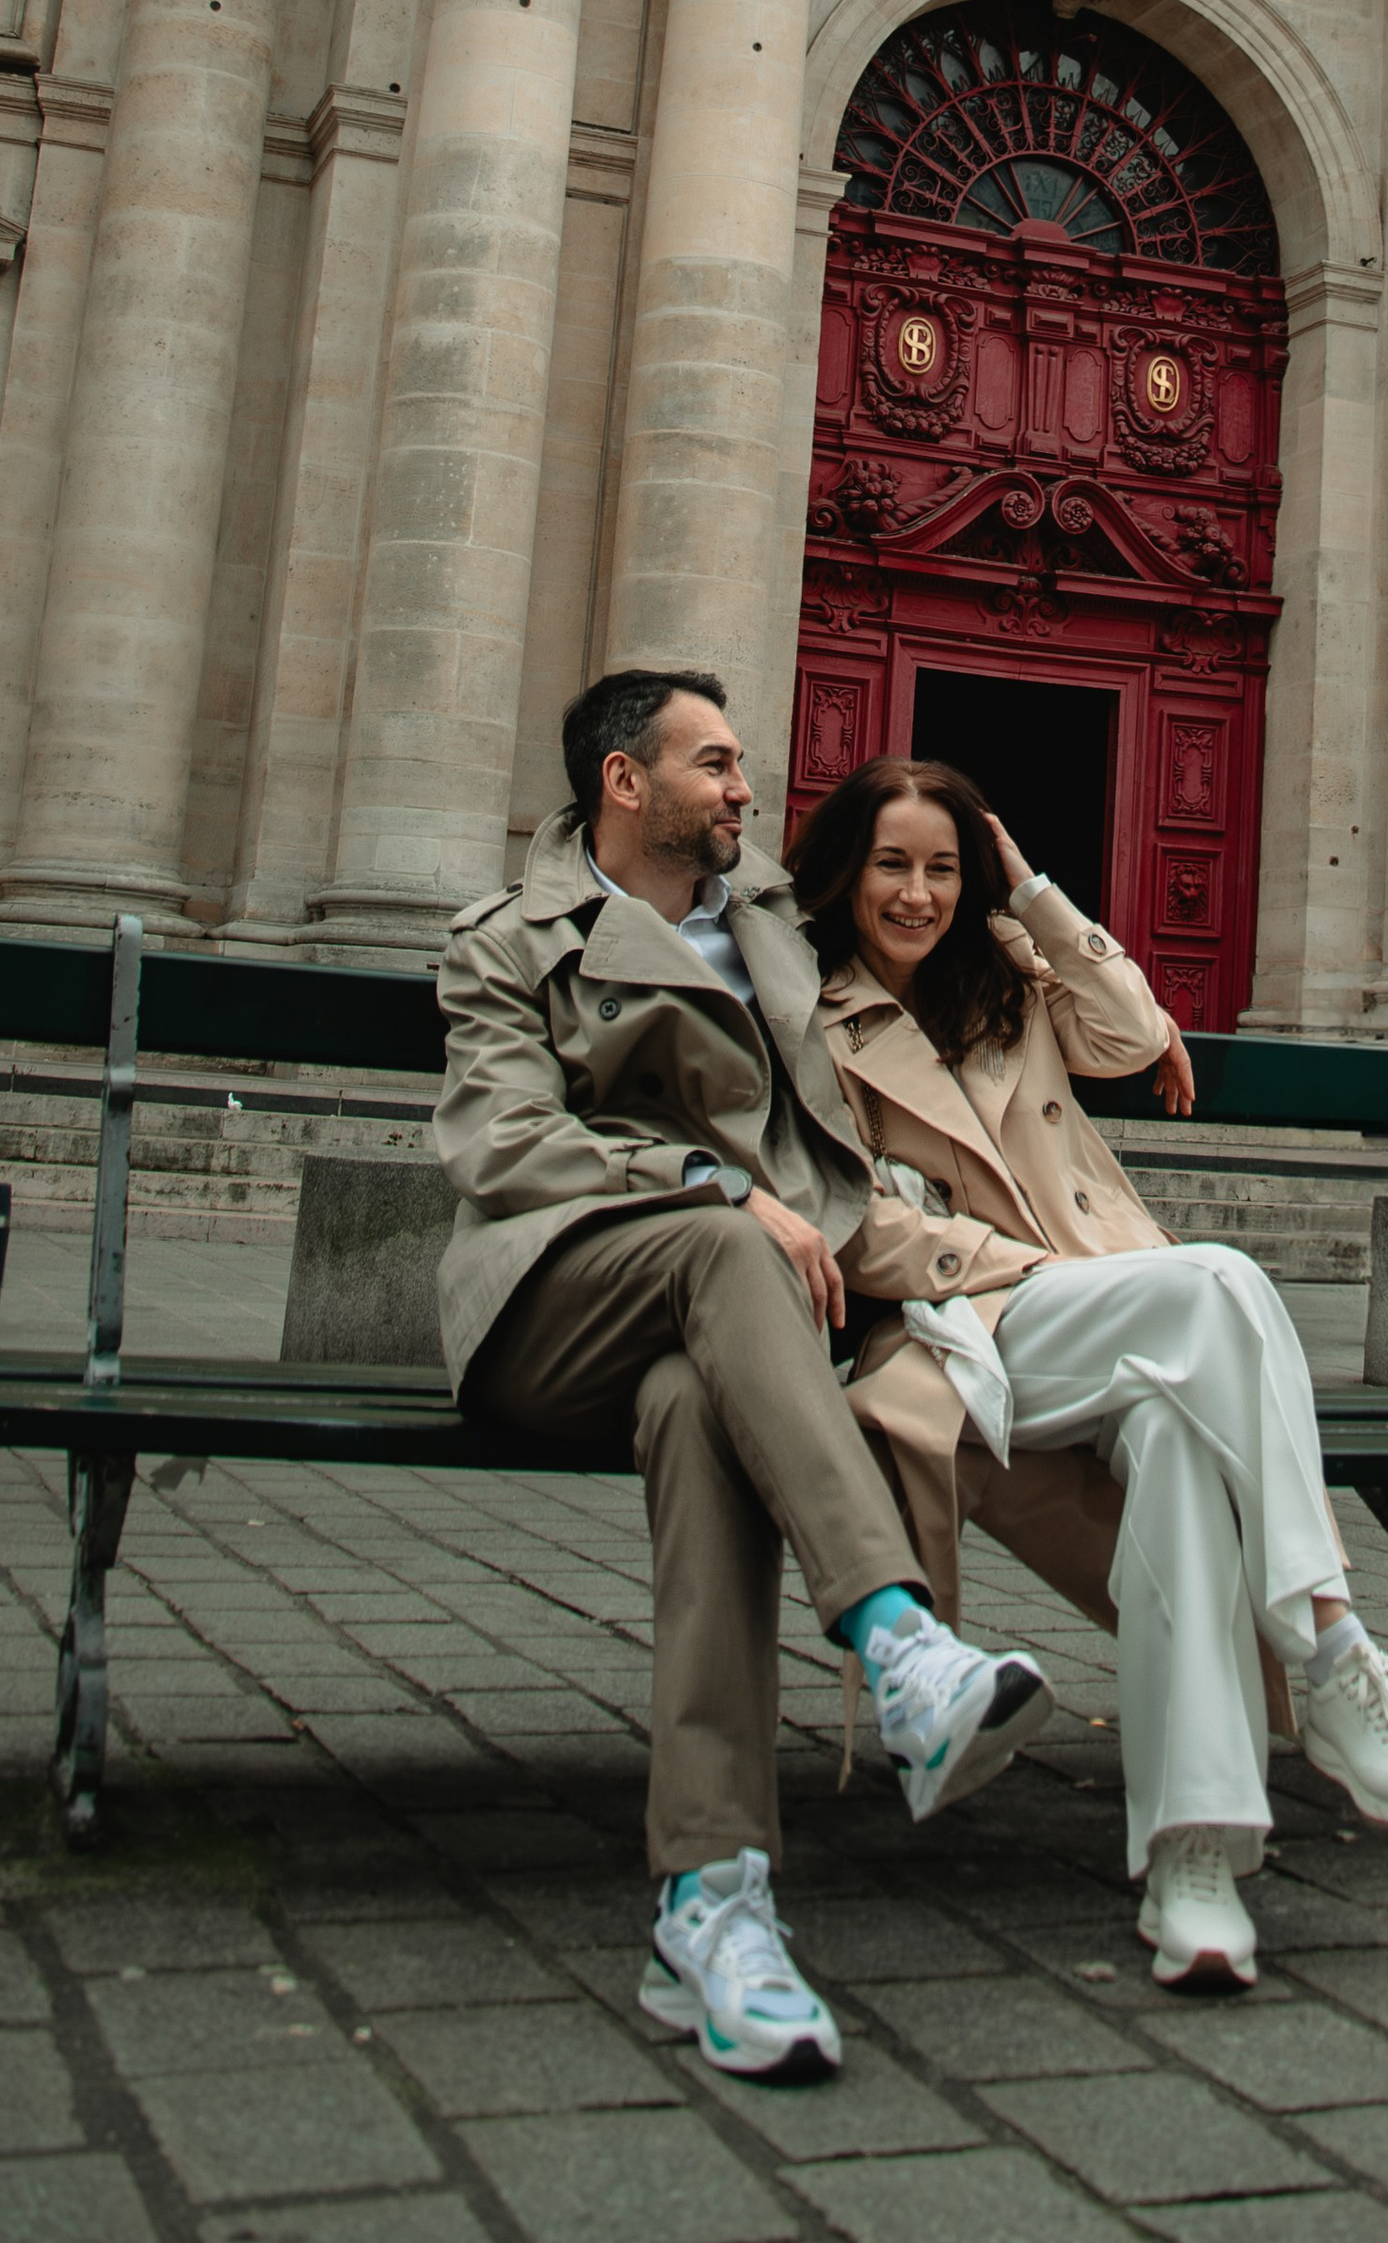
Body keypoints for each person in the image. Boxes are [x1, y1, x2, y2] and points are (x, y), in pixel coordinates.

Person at [435, 672, 1062, 2086]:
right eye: (714, 762)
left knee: (700, 1413)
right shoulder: (507, 937)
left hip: (731, 1332)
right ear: (622, 780)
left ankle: (710, 1903)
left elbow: (941, 908)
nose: (744, 788)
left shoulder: (779, 919)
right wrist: (714, 1182)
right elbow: (500, 1146)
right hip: (556, 1299)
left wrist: (1056, 922)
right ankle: (899, 1642)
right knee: (726, 1251)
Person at [798, 756, 1388, 1993]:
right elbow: (840, 1220)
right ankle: (1326, 1642)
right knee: (1216, 1285)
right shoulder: (802, 1012)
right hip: (962, 1327)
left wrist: (1030, 889)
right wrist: (1005, 1265)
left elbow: (1130, 1032)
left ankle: (1193, 1862)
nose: (916, 893)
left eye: (944, 867)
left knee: (1174, 1443)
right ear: (843, 872)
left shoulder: (1002, 978)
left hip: (1100, 1318)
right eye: (892, 864)